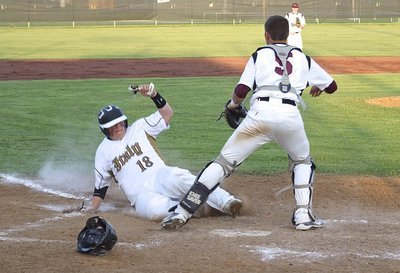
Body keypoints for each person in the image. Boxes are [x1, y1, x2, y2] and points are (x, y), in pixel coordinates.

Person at [161, 15, 337, 231]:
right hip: (290, 117)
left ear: (266, 35)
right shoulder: (303, 58)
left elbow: (241, 91)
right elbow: (332, 86)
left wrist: (233, 105)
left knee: (222, 164)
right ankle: (302, 215)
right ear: (288, 35)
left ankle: (183, 211)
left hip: (259, 115)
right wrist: (317, 86)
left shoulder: (260, 54)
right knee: (302, 161)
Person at [84, 83, 242, 221]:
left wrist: (154, 95)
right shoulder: (103, 152)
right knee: (156, 212)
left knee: (182, 178)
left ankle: (226, 201)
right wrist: (93, 208)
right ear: (105, 130)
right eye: (113, 125)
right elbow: (100, 187)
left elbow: (167, 114)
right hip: (140, 196)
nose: (118, 127)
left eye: (120, 123)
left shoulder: (140, 127)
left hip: (160, 175)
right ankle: (195, 209)